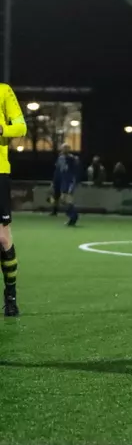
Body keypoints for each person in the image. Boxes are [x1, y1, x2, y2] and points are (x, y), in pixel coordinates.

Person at [0, 83, 27, 316]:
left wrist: (2, 130)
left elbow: (21, 126)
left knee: (2, 237)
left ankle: (11, 297)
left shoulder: (3, 91)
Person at [52, 144, 80, 226]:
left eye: (65, 148)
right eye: (63, 148)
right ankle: (72, 216)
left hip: (70, 181)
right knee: (63, 200)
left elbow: (76, 170)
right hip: (64, 181)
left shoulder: (72, 158)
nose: (63, 150)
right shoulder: (60, 158)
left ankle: (73, 217)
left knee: (67, 199)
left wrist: (75, 180)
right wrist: (55, 181)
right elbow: (58, 170)